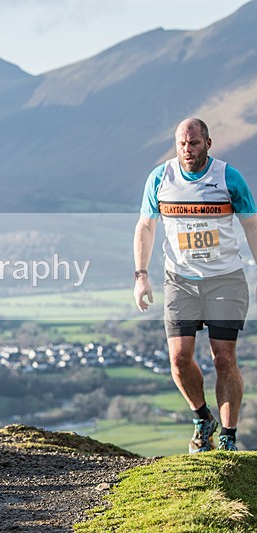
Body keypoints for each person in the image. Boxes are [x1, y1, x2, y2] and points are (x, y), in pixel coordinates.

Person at [133, 117, 257, 453]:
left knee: (223, 359)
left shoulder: (228, 178)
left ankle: (229, 437)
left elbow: (252, 227)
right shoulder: (160, 178)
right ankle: (203, 419)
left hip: (225, 279)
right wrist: (141, 275)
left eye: (194, 143)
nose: (187, 150)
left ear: (208, 144)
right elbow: (145, 226)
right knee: (179, 358)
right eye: (182, 144)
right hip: (180, 280)